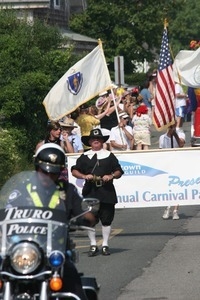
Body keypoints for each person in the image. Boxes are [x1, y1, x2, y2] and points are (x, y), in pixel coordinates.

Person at [6, 143, 95, 299]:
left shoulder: (67, 190)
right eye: (44, 171)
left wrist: (86, 216)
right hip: (24, 251)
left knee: (75, 287)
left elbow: (85, 214)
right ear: (36, 168)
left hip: (55, 253)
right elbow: (7, 213)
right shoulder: (21, 189)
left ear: (59, 172)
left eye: (53, 173)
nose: (48, 176)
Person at [71, 128, 124, 257]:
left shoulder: (109, 155)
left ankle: (105, 244)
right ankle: (93, 244)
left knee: (106, 219)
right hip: (90, 191)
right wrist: (84, 176)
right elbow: (74, 170)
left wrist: (111, 176)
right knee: (90, 219)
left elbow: (118, 171)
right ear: (89, 142)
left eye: (98, 139)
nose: (96, 141)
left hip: (106, 191)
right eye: (93, 139)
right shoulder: (84, 157)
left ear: (102, 141)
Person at [159, 124, 185, 220]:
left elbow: (181, 144)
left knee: (177, 188)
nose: (172, 128)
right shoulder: (162, 137)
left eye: (173, 126)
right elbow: (160, 152)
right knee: (168, 188)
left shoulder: (180, 132)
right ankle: (168, 208)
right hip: (167, 166)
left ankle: (175, 211)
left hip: (177, 165)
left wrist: (175, 135)